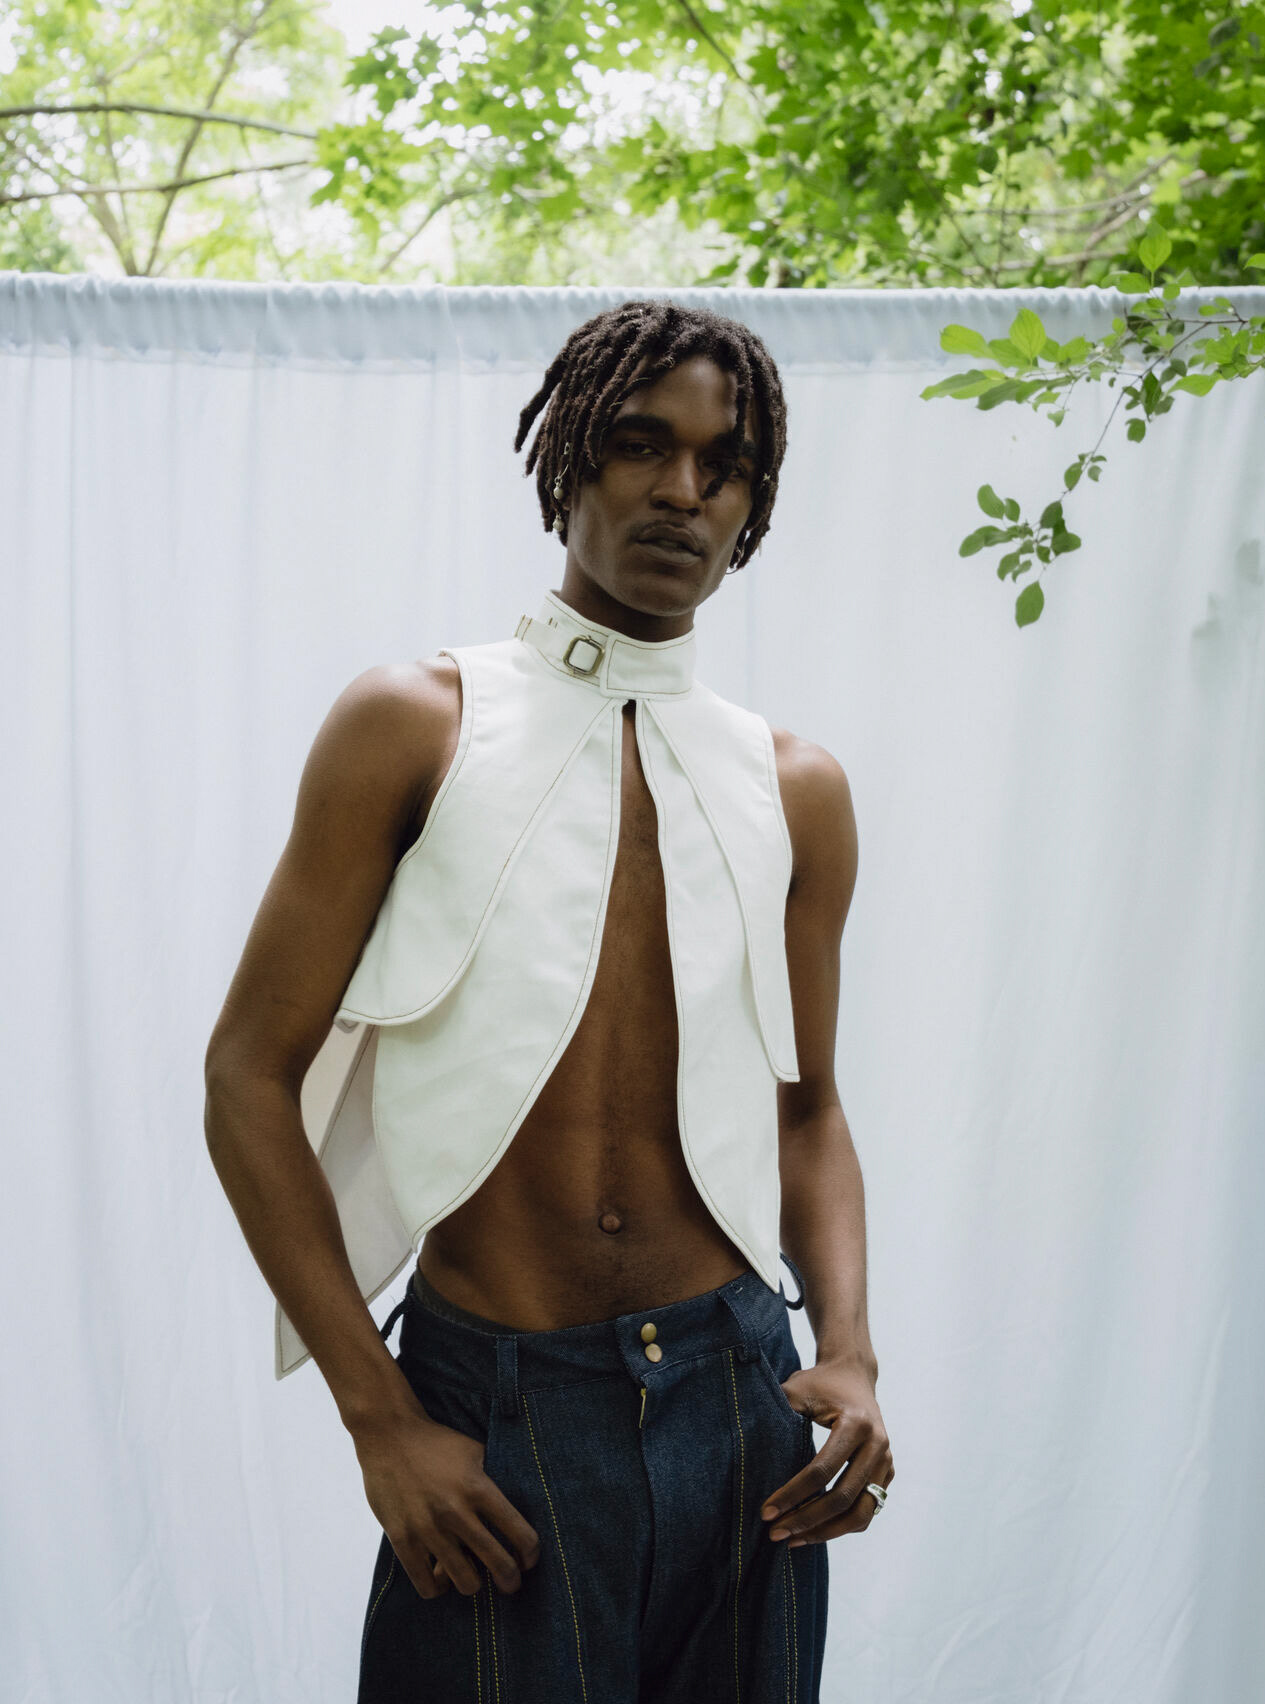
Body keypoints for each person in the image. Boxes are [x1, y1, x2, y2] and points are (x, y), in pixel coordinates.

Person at [204, 297, 892, 1702]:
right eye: (642, 443)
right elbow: (246, 1080)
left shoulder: (797, 789)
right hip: (500, 1410)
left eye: (726, 465)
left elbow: (810, 1110)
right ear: (569, 455)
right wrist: (379, 1418)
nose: (684, 489)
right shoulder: (416, 721)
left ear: (754, 508)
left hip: (739, 1402)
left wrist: (852, 1354)